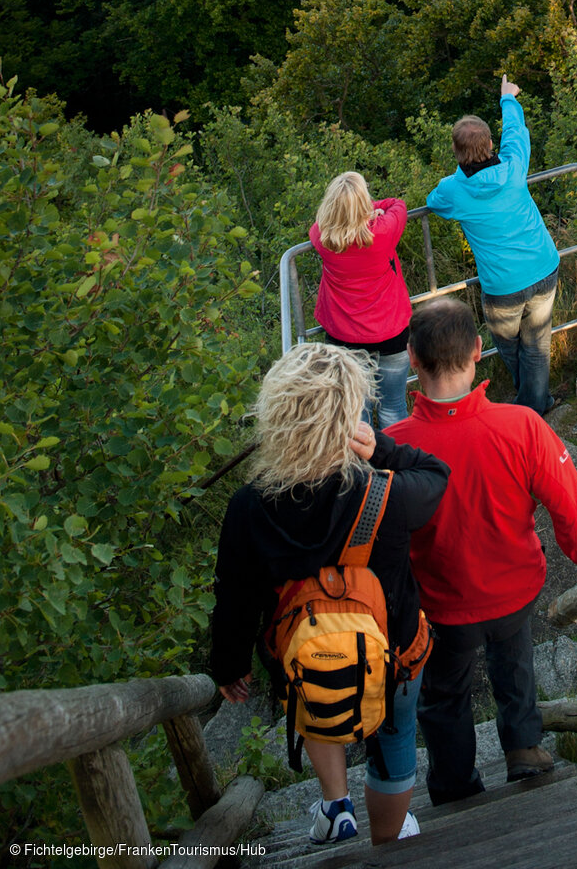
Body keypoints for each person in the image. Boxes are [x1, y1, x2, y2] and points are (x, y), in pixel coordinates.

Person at [386, 297, 577, 807]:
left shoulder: (394, 447)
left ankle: (454, 784)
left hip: (443, 607)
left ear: (412, 358)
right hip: (514, 591)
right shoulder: (522, 427)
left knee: (445, 696)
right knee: (515, 665)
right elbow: (570, 510)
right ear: (478, 350)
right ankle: (523, 747)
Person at [212, 343, 450, 846]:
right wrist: (381, 448)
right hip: (395, 649)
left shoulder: (249, 507)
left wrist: (227, 665)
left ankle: (337, 806)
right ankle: (387, 839)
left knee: (317, 696)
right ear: (348, 416)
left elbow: (235, 596)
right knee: (396, 737)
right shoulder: (383, 492)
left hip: (304, 649)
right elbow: (435, 475)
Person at [426, 74, 559, 414]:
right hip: (543, 267)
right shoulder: (514, 167)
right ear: (488, 146)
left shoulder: (454, 191)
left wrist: (457, 176)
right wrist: (507, 99)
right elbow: (515, 133)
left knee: (509, 346)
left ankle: (529, 408)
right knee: (536, 344)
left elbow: (434, 201)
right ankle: (536, 401)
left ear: (457, 152)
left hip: (503, 287)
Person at [311, 171, 412, 428]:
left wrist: (354, 214)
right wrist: (371, 212)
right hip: (391, 330)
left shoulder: (322, 238)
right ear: (363, 203)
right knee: (393, 406)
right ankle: (395, 465)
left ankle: (364, 467)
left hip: (344, 335)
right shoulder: (383, 231)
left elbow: (320, 223)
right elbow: (397, 205)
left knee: (356, 412)